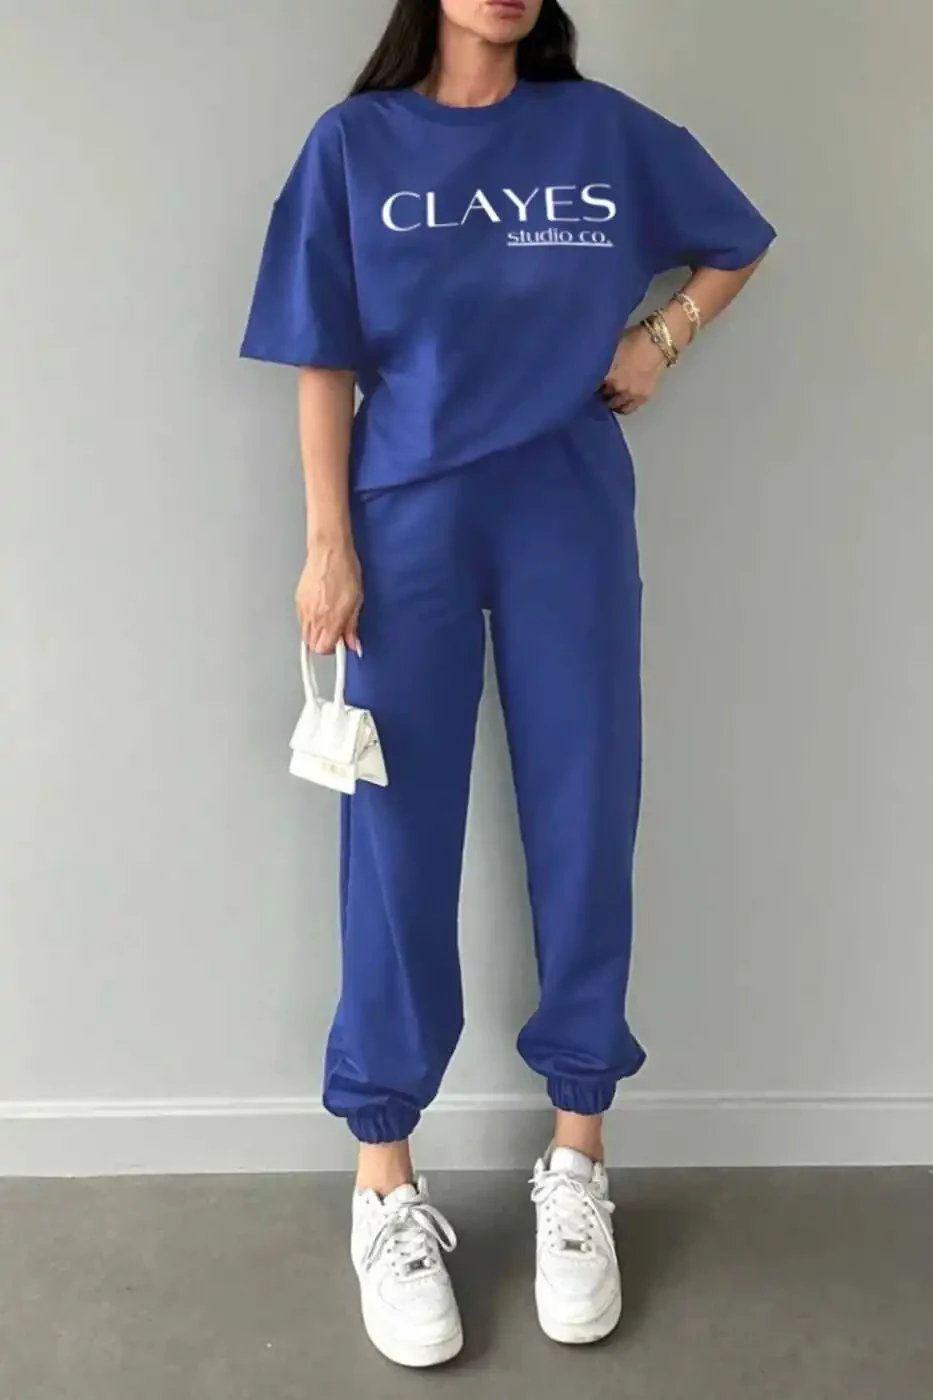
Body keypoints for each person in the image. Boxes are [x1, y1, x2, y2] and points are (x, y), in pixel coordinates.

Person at [241, 0, 775, 1369]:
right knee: (395, 842)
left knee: (588, 819)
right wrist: (327, 542)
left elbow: (736, 239)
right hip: (403, 520)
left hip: (565, 509)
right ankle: (384, 1182)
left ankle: (578, 1159)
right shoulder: (356, 144)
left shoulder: (598, 135)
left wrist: (661, 338)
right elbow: (320, 353)